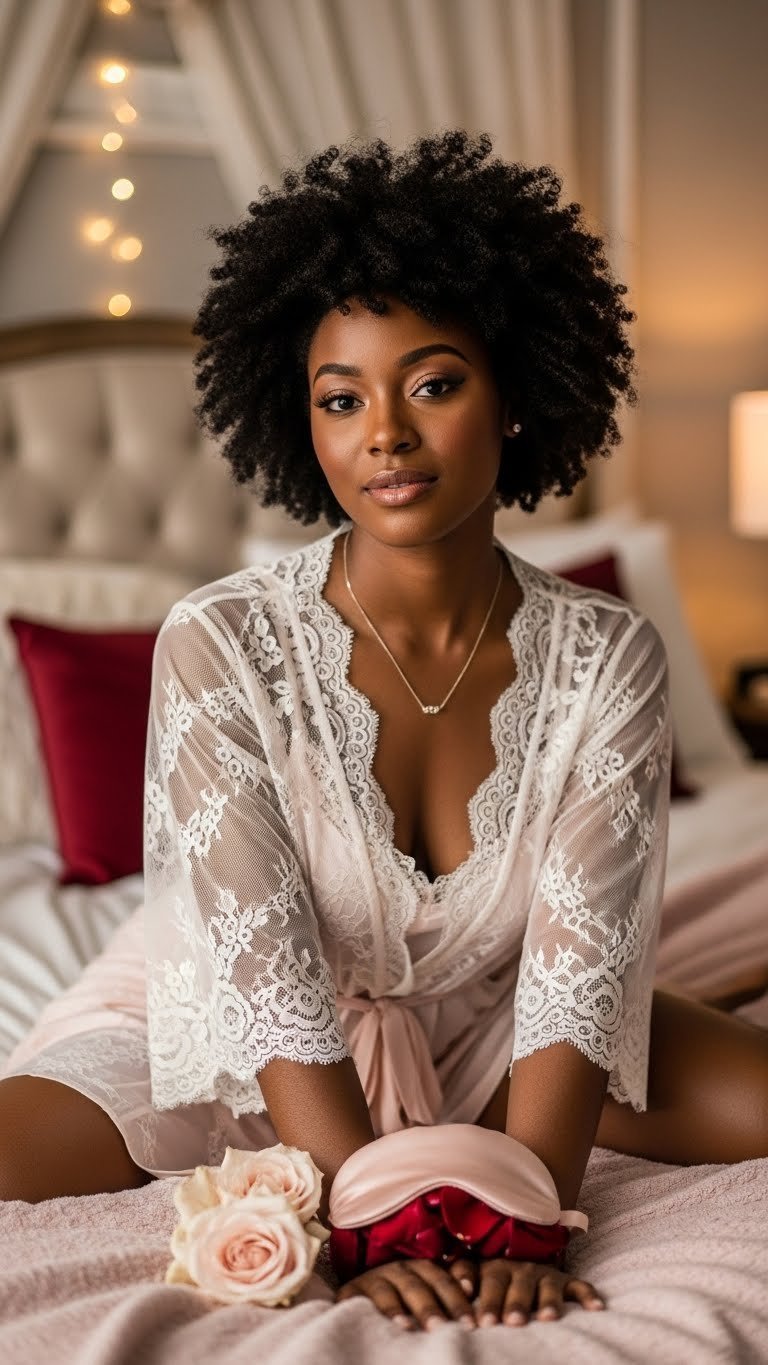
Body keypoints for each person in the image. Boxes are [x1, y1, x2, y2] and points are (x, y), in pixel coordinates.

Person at [0, 130, 766, 1335]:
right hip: (226, 1023)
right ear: (298, 421)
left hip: (490, 1014)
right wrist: (370, 1221)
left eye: (435, 382)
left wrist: (526, 1216)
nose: (385, 436)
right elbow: (267, 979)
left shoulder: (610, 656)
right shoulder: (220, 642)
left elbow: (576, 991)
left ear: (514, 392)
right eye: (341, 399)